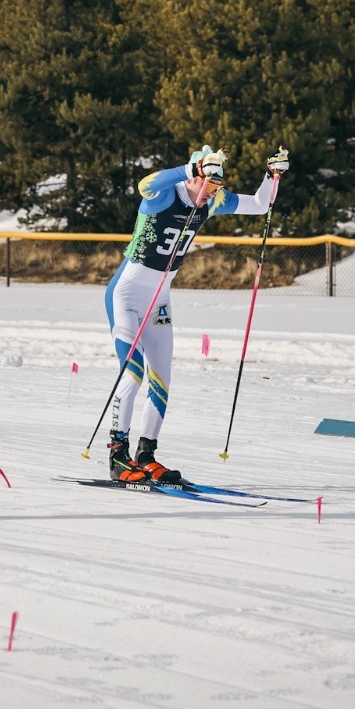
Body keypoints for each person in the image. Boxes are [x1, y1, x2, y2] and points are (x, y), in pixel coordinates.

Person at [105, 145, 290, 483]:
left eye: (216, 189)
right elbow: (144, 185)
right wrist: (189, 169)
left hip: (159, 299)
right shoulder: (164, 195)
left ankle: (146, 455)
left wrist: (272, 174)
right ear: (194, 177)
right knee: (132, 375)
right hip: (127, 295)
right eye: (207, 186)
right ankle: (118, 455)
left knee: (161, 380)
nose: (210, 197)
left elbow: (260, 204)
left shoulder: (213, 199)